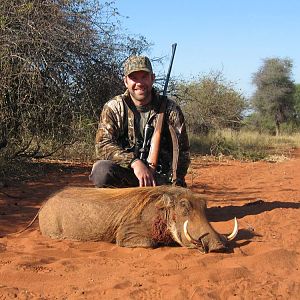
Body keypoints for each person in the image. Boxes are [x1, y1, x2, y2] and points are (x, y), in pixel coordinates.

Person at [89, 55, 190, 188]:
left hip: (160, 180)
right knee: (101, 171)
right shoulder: (114, 107)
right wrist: (134, 162)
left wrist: (176, 180)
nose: (139, 83)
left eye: (144, 77)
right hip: (128, 174)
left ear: (152, 78)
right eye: (134, 78)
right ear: (125, 81)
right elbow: (103, 144)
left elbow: (182, 151)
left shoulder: (171, 109)